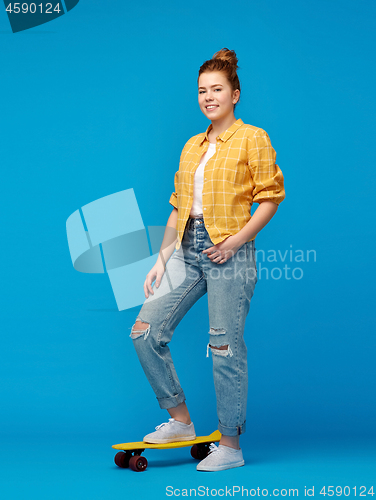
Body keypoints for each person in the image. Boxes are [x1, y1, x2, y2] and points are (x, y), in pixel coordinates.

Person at [129, 48, 285, 472]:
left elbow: (270, 199)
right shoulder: (191, 146)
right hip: (187, 249)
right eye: (202, 90)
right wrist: (161, 260)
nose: (208, 96)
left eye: (217, 89)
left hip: (229, 251)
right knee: (145, 331)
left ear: (235, 94)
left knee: (224, 346)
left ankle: (231, 446)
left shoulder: (253, 137)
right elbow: (179, 207)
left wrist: (235, 242)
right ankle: (180, 422)